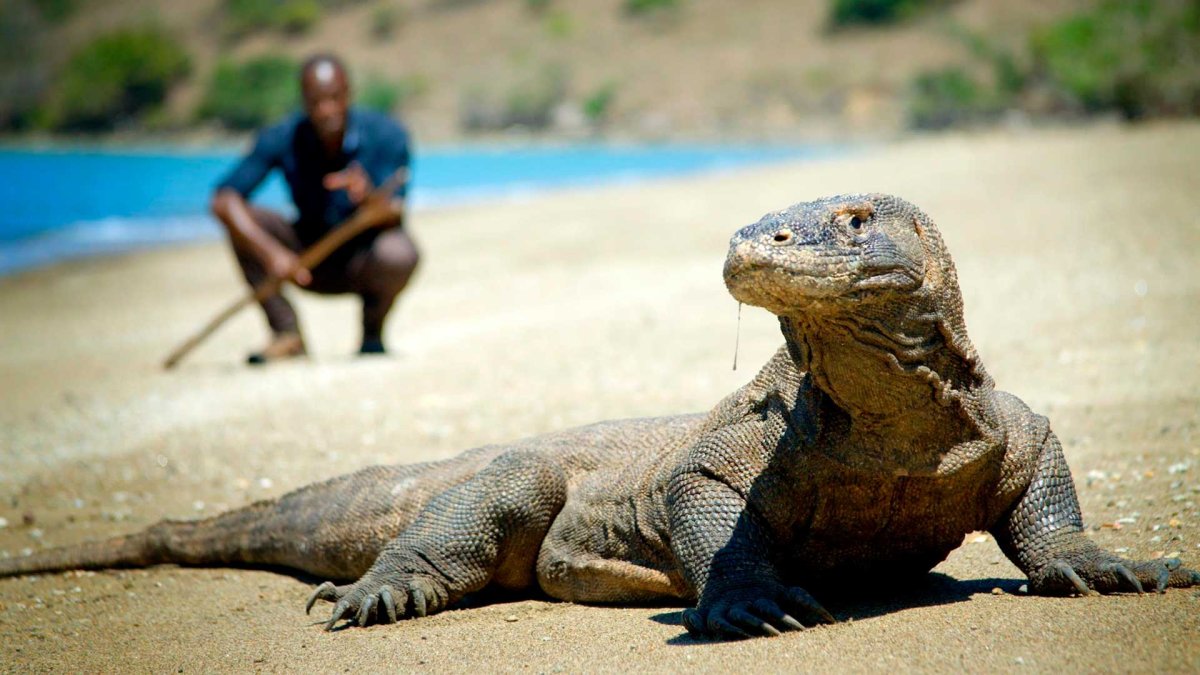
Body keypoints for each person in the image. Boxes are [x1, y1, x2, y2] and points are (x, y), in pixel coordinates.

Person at [210, 53, 417, 364]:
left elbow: (396, 211)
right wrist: (271, 253)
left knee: (399, 252)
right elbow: (224, 200)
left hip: (363, 261)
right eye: (316, 101)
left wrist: (369, 199)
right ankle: (286, 334)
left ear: (348, 94)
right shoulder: (284, 137)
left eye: (334, 98)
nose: (326, 110)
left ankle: (372, 337)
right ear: (304, 101)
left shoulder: (387, 134)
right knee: (244, 221)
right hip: (305, 259)